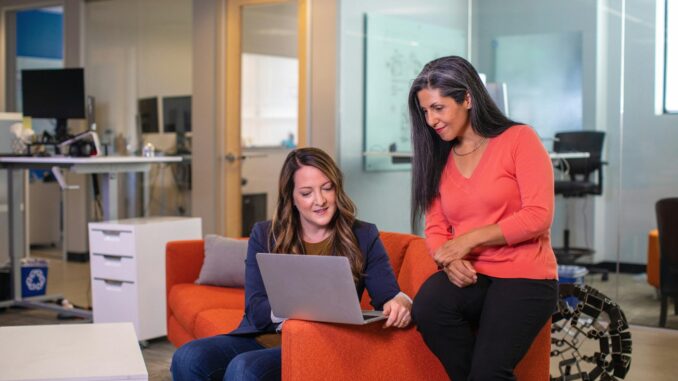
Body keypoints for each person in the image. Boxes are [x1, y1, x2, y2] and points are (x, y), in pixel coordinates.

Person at [171, 147, 412, 381]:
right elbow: (256, 309)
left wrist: (401, 302)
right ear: (291, 198)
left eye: (327, 188)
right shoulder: (265, 234)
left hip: (321, 342)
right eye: (306, 193)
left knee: (244, 369)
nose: (320, 200)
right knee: (187, 357)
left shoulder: (363, 234)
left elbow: (388, 297)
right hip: (264, 336)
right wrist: (292, 309)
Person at [408, 56, 558, 380]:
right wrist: (447, 260)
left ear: (466, 98)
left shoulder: (519, 139)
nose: (431, 120)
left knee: (488, 372)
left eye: (438, 108)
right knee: (428, 307)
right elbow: (435, 227)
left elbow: (538, 216)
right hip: (473, 275)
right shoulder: (439, 156)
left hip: (525, 276)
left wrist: (467, 240)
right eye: (425, 112)